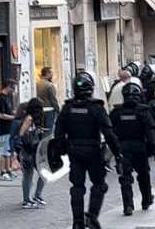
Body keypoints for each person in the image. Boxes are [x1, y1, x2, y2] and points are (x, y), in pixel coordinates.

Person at [54, 71, 122, 229]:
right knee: (99, 184)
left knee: (77, 187)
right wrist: (117, 153)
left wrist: (62, 149)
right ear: (91, 88)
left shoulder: (68, 108)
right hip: (93, 151)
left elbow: (58, 133)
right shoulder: (96, 108)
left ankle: (77, 222)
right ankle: (91, 216)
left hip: (74, 152)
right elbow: (108, 132)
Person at [110, 82, 155, 216]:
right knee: (143, 174)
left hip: (123, 148)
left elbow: (110, 132)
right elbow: (151, 135)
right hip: (140, 148)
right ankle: (146, 200)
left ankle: (128, 205)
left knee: (125, 177)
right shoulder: (143, 111)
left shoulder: (116, 112)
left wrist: (114, 150)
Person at [17, 99, 46, 209]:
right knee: (29, 175)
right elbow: (21, 134)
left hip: (34, 151)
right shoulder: (29, 118)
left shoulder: (35, 119)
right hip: (28, 151)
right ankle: (27, 199)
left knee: (41, 174)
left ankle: (35, 196)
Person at [0, 79, 17, 181]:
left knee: (7, 150)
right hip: (3, 128)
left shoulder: (7, 98)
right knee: (3, 150)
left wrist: (15, 113)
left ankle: (8, 170)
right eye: (13, 88)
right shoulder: (0, 99)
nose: (13, 90)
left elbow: (8, 111)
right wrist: (12, 117)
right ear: (8, 86)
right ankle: (2, 172)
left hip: (8, 128)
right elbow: (0, 115)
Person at [37, 67, 60, 131]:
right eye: (51, 73)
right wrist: (58, 110)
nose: (52, 75)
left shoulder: (36, 84)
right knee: (49, 130)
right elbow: (53, 100)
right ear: (47, 73)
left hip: (39, 110)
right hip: (49, 110)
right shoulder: (50, 85)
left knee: (41, 130)